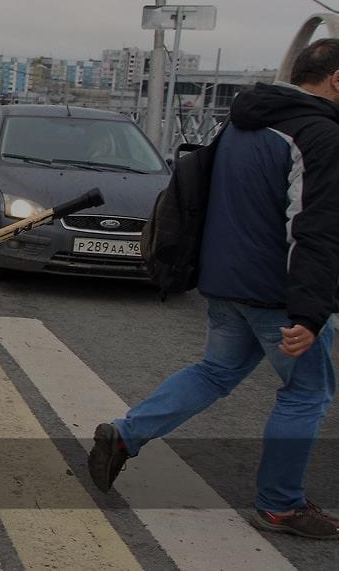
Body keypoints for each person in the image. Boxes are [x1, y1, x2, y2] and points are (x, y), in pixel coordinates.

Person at [87, 38, 339, 539]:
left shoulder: (241, 122)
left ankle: (125, 435)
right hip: (279, 292)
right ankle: (280, 505)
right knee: (307, 392)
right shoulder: (319, 134)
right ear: (337, 78)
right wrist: (310, 313)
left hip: (224, 281)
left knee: (215, 371)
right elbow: (312, 228)